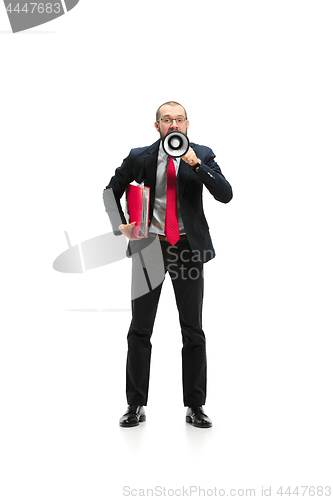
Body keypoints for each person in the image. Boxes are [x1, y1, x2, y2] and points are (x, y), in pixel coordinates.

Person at [104, 101, 233, 428]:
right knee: (140, 328)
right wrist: (121, 224)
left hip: (188, 248)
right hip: (150, 248)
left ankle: (195, 405)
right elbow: (111, 191)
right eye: (166, 119)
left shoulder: (201, 153)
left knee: (193, 329)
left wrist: (197, 165)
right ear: (157, 125)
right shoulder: (140, 156)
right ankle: (135, 405)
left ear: (187, 124)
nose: (173, 124)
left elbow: (226, 194)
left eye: (179, 119)